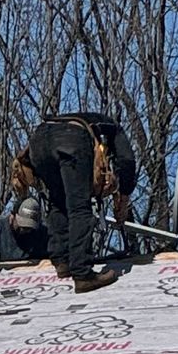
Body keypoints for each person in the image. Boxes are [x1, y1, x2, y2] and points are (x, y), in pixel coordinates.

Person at [20, 112, 140, 292]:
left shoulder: (90, 121)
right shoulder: (113, 128)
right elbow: (127, 161)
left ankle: (62, 261)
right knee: (80, 206)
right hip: (71, 139)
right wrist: (123, 198)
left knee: (58, 201)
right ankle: (82, 274)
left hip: (38, 141)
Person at [0, 184, 49, 268]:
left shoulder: (42, 233)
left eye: (29, 228)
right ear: (12, 216)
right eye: (22, 226)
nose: (25, 230)